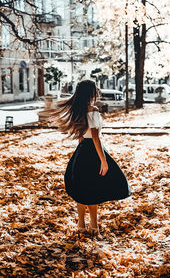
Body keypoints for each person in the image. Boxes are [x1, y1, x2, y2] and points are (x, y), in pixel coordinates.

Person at [51, 79, 131, 237]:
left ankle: (81, 225)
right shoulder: (92, 110)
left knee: (80, 189)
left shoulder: (78, 109)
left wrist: (80, 153)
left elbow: (81, 137)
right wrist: (103, 159)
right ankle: (94, 227)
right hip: (93, 151)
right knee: (93, 189)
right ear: (91, 92)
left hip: (81, 151)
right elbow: (96, 137)